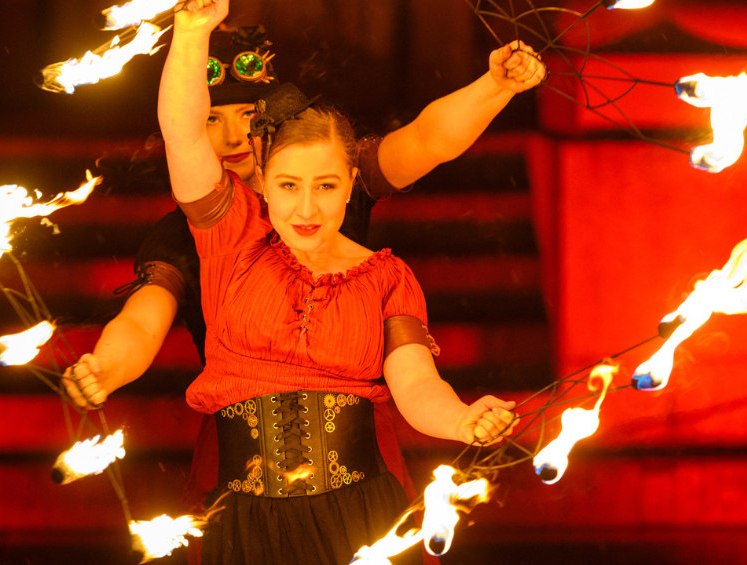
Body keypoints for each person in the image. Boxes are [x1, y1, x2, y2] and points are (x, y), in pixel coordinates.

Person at [65, 0, 543, 562]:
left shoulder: (386, 274)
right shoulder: (223, 234)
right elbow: (143, 317)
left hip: (357, 503)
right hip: (243, 498)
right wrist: (107, 367)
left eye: (325, 186)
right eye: (289, 186)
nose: (307, 207)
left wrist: (464, 419)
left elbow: (415, 383)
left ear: (350, 184)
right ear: (267, 184)